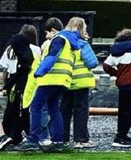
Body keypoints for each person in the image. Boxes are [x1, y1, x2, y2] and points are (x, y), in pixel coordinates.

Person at [18, 17, 83, 151]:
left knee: (35, 107)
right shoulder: (71, 42)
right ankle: (58, 141)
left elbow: (52, 56)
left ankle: (33, 140)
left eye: (47, 33)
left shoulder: (58, 39)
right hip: (63, 80)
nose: (46, 36)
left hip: (50, 79)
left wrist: (39, 71)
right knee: (54, 109)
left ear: (53, 30)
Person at [103, 28, 131, 148]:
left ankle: (122, 134)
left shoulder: (115, 50)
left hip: (121, 84)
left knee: (123, 110)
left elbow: (106, 66)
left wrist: (117, 73)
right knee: (130, 111)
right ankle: (121, 136)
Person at [61, 17, 99, 149]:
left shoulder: (61, 41)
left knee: (64, 110)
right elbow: (93, 63)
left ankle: (62, 138)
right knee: (81, 110)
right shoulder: (82, 43)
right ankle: (81, 139)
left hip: (65, 80)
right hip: (81, 81)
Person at [0, 28, 35, 150]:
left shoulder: (15, 53)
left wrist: (6, 86)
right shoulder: (28, 53)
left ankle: (11, 135)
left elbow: (9, 71)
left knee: (14, 111)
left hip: (18, 87)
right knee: (17, 111)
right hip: (23, 86)